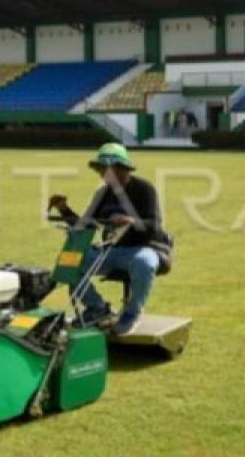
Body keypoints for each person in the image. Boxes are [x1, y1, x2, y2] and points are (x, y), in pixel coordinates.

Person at [48, 142, 163, 335]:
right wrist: (63, 209)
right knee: (70, 260)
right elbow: (84, 225)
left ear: (119, 168)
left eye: (104, 169)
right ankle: (97, 308)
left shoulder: (145, 189)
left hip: (141, 248)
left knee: (145, 263)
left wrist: (130, 220)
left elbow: (155, 227)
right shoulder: (102, 193)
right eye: (100, 169)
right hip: (109, 250)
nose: (101, 174)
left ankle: (132, 313)